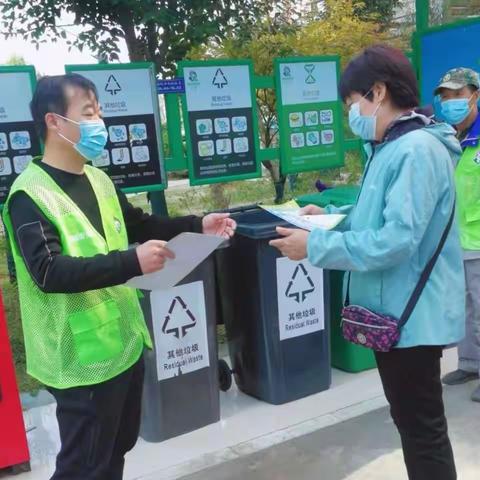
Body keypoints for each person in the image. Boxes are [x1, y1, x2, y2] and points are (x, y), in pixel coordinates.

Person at [2, 73, 236, 480]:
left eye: (100, 111)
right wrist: (131, 263)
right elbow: (48, 271)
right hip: (79, 359)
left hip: (124, 345)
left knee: (116, 452)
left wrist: (199, 223)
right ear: (55, 122)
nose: (100, 122)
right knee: (83, 465)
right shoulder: (29, 195)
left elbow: (136, 224)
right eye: (89, 113)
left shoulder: (98, 178)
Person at [270, 45, 464, 480]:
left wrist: (314, 249)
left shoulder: (415, 150)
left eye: (350, 103)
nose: (349, 114)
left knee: (422, 431)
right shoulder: (389, 146)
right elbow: (375, 218)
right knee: (414, 425)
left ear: (377, 93)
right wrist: (329, 223)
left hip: (413, 318)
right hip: (397, 313)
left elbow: (396, 241)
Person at [434, 67, 480, 402]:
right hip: (456, 240)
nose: (451, 102)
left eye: (457, 95)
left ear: (475, 95)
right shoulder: (448, 138)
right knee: (463, 306)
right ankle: (470, 362)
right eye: (445, 97)